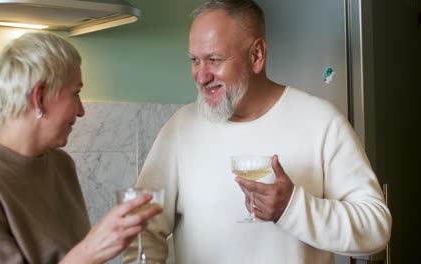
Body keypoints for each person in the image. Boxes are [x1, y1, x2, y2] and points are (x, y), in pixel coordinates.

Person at [122, 0, 392, 263]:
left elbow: (375, 229)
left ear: (256, 55)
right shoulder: (181, 128)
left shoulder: (321, 122)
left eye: (214, 60)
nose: (201, 76)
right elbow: (142, 228)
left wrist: (293, 208)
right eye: (195, 60)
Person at [0, 32, 162, 264]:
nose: (81, 110)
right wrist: (89, 252)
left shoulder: (61, 164)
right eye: (75, 93)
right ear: (39, 97)